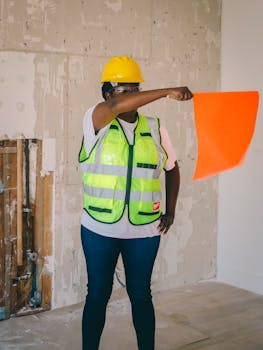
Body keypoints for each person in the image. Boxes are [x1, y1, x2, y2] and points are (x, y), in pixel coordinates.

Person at [79, 55, 193, 350]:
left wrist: (171, 210)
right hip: (99, 228)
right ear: (107, 94)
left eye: (135, 89)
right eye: (123, 90)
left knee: (141, 295)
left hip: (143, 230)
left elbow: (173, 168)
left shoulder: (155, 128)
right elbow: (117, 109)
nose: (131, 96)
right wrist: (167, 91)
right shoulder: (96, 121)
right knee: (97, 295)